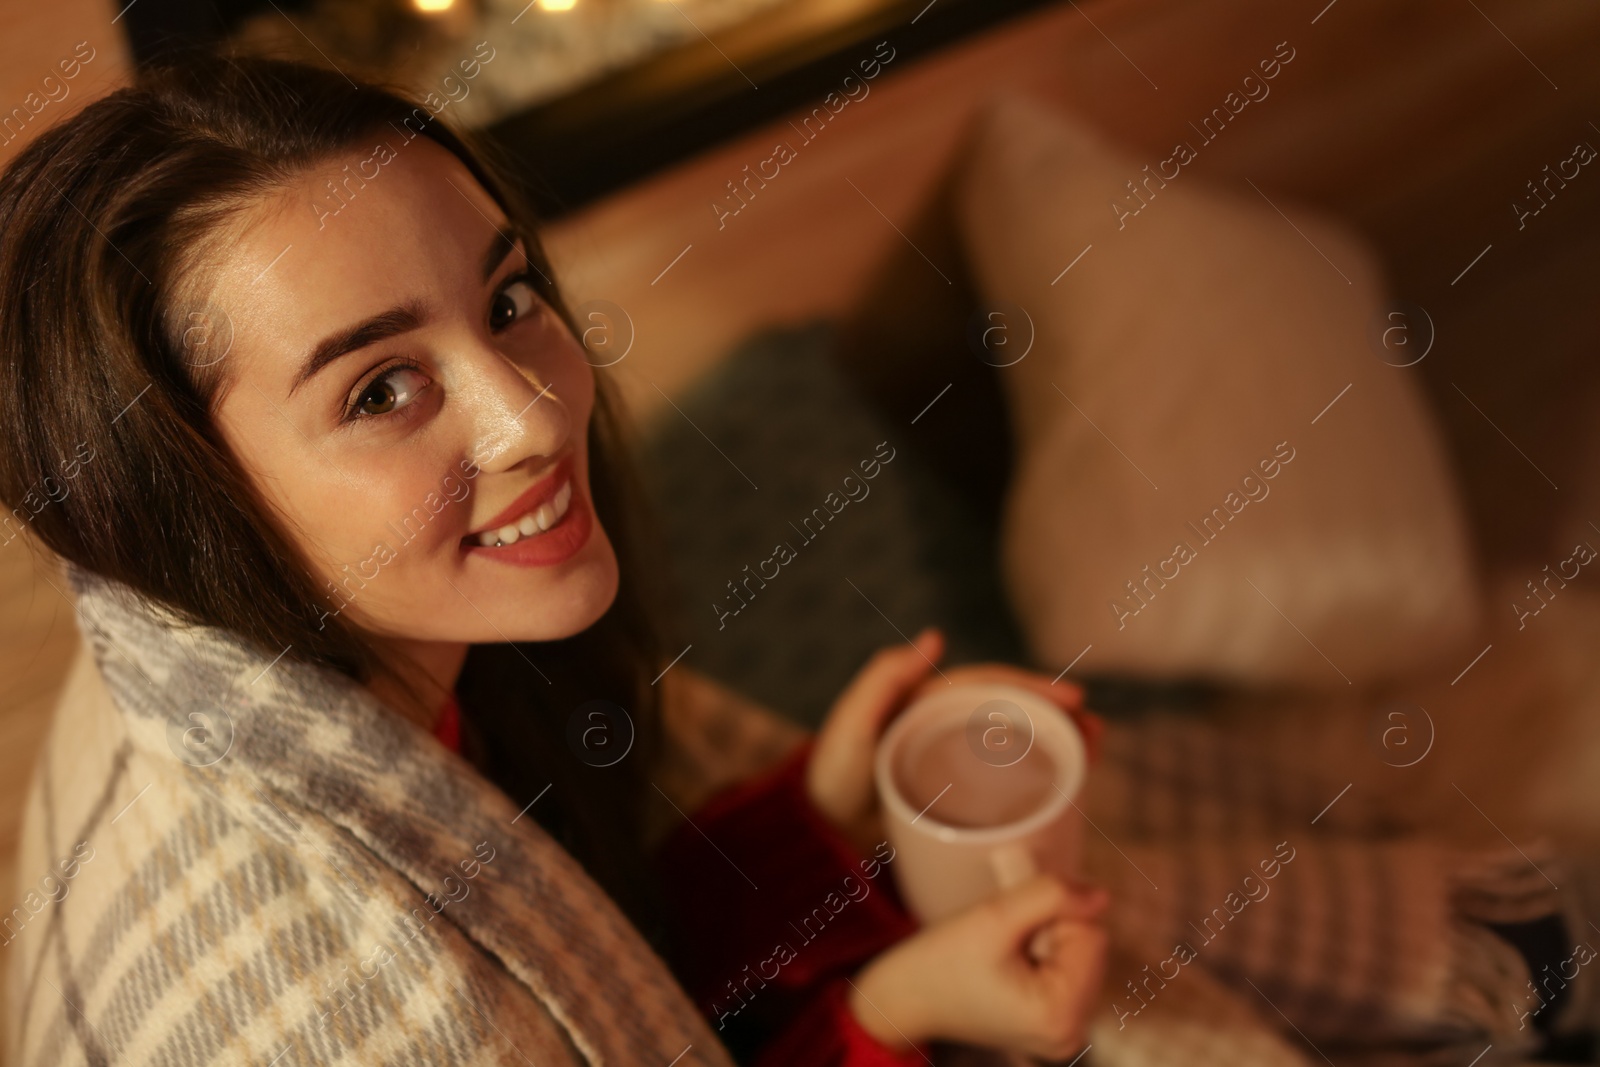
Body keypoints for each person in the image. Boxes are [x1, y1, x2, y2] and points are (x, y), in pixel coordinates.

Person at [0, 53, 1108, 1066]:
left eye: (508, 299)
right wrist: (885, 1019)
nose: (529, 413)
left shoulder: (281, 657)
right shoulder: (357, 1018)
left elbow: (582, 967)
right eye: (380, 389)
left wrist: (813, 825)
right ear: (180, 496)